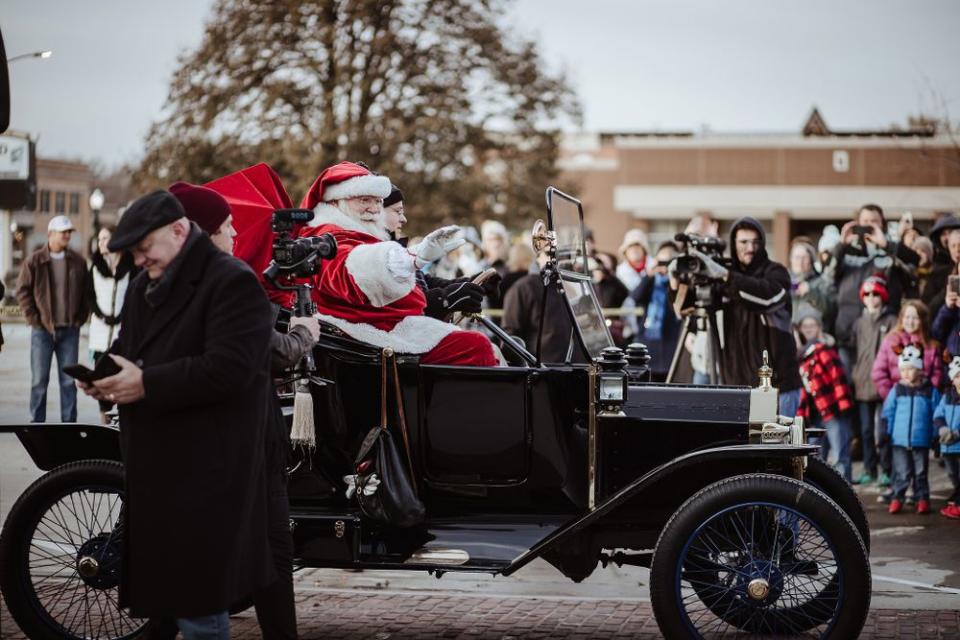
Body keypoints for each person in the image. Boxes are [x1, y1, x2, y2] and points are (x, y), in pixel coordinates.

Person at [78, 190, 276, 637]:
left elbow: (231, 369)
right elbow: (129, 347)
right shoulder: (145, 284)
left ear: (179, 230)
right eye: (134, 252)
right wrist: (101, 375)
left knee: (200, 609)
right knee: (171, 605)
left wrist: (147, 383)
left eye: (145, 248)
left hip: (207, 471)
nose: (140, 258)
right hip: (157, 471)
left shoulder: (231, 280)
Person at [172, 181, 301, 639]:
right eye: (227, 228)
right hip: (240, 438)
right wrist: (306, 333)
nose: (234, 236)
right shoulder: (225, 282)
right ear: (203, 234)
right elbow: (273, 351)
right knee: (266, 547)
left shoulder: (189, 282)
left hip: (231, 435)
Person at [298, 161, 496, 366]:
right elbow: (352, 270)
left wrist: (465, 283)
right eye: (365, 200)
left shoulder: (357, 234)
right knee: (475, 346)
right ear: (335, 202)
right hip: (362, 334)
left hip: (381, 325)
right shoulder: (328, 237)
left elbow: (420, 284)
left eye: (377, 201)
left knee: (486, 345)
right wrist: (413, 257)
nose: (374, 209)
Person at [685, 217, 802, 414]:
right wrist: (677, 280)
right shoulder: (722, 277)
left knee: (774, 445)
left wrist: (726, 276)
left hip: (776, 386)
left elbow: (765, 297)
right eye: (744, 242)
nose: (750, 248)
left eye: (756, 242)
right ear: (733, 243)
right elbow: (687, 309)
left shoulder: (776, 273)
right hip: (735, 386)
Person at [15, 215, 90, 423]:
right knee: (39, 381)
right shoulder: (35, 260)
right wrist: (34, 319)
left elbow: (87, 293)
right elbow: (22, 291)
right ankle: (37, 426)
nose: (67, 235)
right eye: (62, 231)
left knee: (68, 382)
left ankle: (69, 427)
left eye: (69, 232)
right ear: (50, 234)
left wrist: (80, 318)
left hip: (69, 330)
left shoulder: (78, 261)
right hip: (42, 331)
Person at [832, 204, 919, 372]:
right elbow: (827, 275)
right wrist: (840, 246)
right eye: (865, 221)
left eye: (874, 221)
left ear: (882, 224)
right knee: (846, 389)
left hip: (883, 334)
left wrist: (887, 246)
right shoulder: (846, 250)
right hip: (848, 334)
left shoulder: (891, 250)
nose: (869, 225)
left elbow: (914, 264)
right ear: (858, 223)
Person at [795, 304, 855, 481]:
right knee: (815, 456)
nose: (808, 330)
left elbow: (838, 378)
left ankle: (845, 495)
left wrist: (843, 406)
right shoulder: (802, 354)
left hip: (832, 410)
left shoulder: (825, 350)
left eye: (812, 326)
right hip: (814, 413)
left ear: (819, 327)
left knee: (839, 454)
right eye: (805, 327)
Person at [881, 344, 939, 515]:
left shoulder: (929, 391)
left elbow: (936, 413)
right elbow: (888, 413)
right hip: (899, 440)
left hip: (921, 440)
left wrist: (935, 435)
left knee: (921, 473)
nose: (906, 373)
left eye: (910, 369)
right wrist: (885, 432)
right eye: (903, 369)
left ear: (920, 370)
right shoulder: (897, 389)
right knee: (902, 472)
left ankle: (922, 498)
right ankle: (897, 498)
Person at [850, 276, 896, 486]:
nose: (871, 298)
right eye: (867, 294)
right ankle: (870, 469)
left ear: (883, 296)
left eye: (875, 293)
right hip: (862, 383)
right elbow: (854, 350)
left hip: (885, 383)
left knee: (883, 431)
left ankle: (887, 469)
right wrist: (855, 373)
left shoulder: (891, 321)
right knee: (867, 431)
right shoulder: (859, 323)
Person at [502, 249, 582, 363]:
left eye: (562, 254)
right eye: (549, 254)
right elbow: (510, 335)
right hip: (543, 369)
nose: (556, 258)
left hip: (576, 368)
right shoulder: (524, 287)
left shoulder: (573, 284)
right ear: (538, 257)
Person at [630, 242, 681, 380]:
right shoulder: (652, 281)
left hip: (670, 343)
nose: (664, 265)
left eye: (668, 261)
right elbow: (635, 296)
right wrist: (649, 275)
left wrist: (675, 277)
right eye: (661, 261)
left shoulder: (680, 282)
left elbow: (679, 304)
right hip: (648, 343)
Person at [87, 225, 137, 362]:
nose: (100, 243)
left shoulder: (131, 266)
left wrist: (122, 317)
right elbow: (89, 296)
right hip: (100, 332)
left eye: (105, 238)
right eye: (99, 239)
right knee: (100, 377)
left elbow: (135, 297)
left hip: (122, 332)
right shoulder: (96, 266)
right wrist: (101, 316)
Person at [789, 239, 835, 331]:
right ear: (791, 260)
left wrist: (812, 293)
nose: (800, 262)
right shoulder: (782, 282)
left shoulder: (822, 282)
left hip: (814, 337)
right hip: (788, 335)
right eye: (797, 257)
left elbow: (831, 311)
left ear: (811, 261)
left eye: (804, 258)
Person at [934, 354, 960, 519]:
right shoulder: (947, 397)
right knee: (952, 473)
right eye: (958, 376)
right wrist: (943, 429)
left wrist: (957, 433)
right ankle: (957, 495)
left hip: (958, 442)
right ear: (952, 379)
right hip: (947, 444)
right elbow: (938, 415)